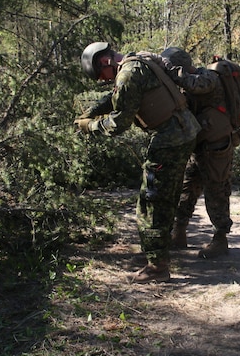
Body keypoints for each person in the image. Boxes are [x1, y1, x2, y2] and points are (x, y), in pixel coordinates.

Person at [75, 42, 200, 283]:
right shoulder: (139, 60)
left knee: (150, 203)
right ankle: (164, 250)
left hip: (168, 142)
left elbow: (119, 122)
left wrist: (89, 126)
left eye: (102, 76)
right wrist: (91, 110)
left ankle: (157, 267)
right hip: (184, 133)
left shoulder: (128, 74)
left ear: (104, 62)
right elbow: (116, 97)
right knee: (166, 196)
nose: (104, 80)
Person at [161, 47, 235, 259]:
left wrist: (170, 70)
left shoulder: (207, 77)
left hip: (217, 145)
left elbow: (195, 85)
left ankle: (221, 239)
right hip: (200, 145)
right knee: (187, 188)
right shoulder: (185, 81)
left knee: (216, 190)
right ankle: (179, 232)